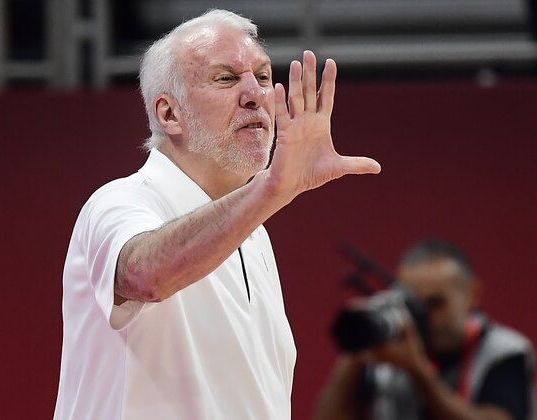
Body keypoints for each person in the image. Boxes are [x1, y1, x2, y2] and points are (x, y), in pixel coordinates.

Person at [53, 8, 381, 420]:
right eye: (225, 78)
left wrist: (265, 196)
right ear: (168, 114)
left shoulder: (255, 234)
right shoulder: (120, 201)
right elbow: (143, 276)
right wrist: (272, 190)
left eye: (263, 77)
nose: (255, 94)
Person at [313, 240, 534, 420]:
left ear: (472, 294)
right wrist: (358, 345)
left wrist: (418, 369)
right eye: (412, 303)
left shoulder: (504, 351)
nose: (424, 316)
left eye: (436, 304)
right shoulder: (383, 347)